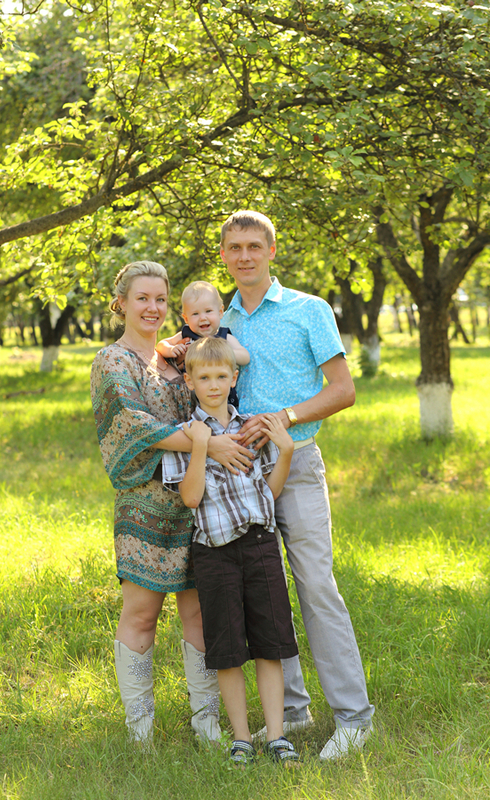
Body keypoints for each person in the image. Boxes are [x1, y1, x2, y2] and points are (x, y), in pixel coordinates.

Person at [219, 211, 375, 761]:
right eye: (234, 247)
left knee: (315, 585)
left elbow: (343, 390)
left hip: (299, 463)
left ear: (271, 250)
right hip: (240, 474)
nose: (244, 256)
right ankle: (291, 709)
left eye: (253, 246)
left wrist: (283, 417)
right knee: (262, 590)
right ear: (223, 255)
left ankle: (354, 718)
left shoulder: (309, 309)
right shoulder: (220, 321)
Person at [90, 261, 253, 745]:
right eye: (142, 298)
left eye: (160, 299)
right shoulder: (112, 361)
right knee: (141, 614)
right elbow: (131, 424)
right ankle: (140, 731)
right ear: (121, 303)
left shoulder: (181, 358)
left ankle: (207, 723)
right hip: (144, 508)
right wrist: (208, 443)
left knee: (200, 614)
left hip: (198, 506)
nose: (152, 307)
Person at [161, 337, 301, 767]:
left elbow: (268, 494)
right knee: (227, 648)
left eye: (221, 376)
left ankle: (276, 736)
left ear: (234, 378)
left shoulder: (251, 429)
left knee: (270, 643)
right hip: (215, 554)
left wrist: (286, 452)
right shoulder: (185, 435)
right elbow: (190, 497)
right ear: (189, 382)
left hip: (260, 546)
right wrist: (201, 446)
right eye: (204, 377)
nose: (213, 385)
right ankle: (241, 738)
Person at [156, 281, 249, 409]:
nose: (202, 318)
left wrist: (225, 351)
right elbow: (161, 344)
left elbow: (245, 356)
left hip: (221, 398)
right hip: (190, 399)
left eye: (208, 311)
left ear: (220, 312)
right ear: (186, 318)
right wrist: (171, 349)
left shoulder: (224, 337)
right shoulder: (186, 335)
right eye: (195, 314)